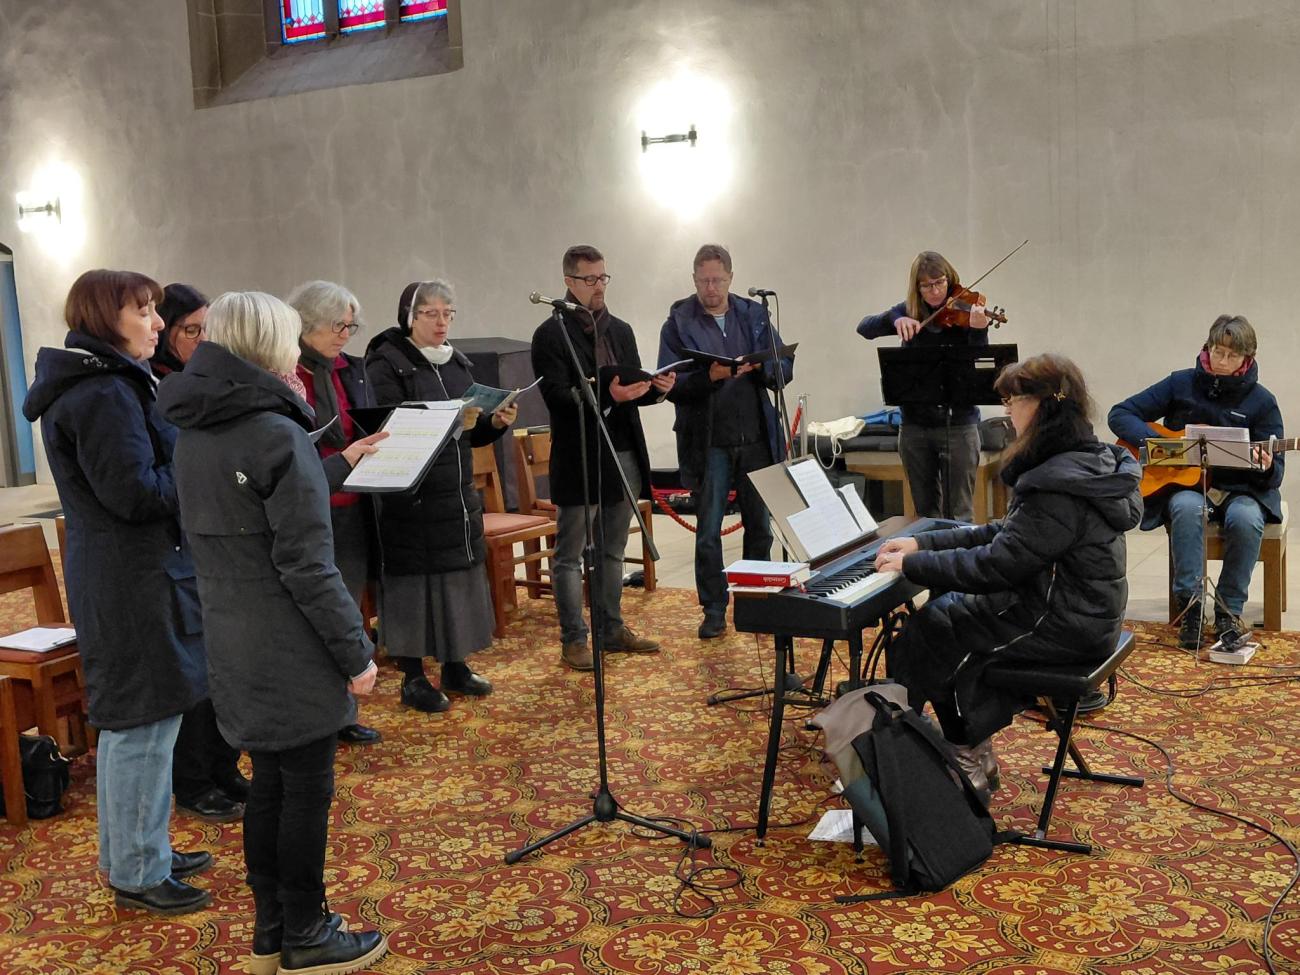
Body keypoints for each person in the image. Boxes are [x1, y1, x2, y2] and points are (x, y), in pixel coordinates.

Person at [158, 291, 387, 975]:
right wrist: (357, 652)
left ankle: (272, 928)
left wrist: (336, 464)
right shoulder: (274, 432)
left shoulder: (198, 426)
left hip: (231, 633)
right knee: (304, 788)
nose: (297, 354)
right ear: (265, 347)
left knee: (269, 784)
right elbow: (308, 565)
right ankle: (309, 929)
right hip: (292, 642)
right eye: (289, 341)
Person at [22, 269, 212, 915]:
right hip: (132, 577)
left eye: (156, 311)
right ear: (107, 317)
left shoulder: (108, 382)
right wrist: (192, 458)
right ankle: (137, 869)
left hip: (134, 570)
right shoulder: (103, 391)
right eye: (144, 311)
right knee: (142, 723)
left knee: (148, 720)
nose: (157, 323)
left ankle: (139, 845)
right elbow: (134, 494)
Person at [874, 354, 1141, 799]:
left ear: (1042, 406)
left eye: (1013, 401)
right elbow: (1009, 533)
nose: (1007, 412)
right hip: (1081, 613)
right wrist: (924, 545)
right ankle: (966, 748)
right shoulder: (1081, 461)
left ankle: (955, 755)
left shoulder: (1056, 483)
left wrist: (913, 566)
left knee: (934, 629)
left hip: (1063, 625)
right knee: (941, 622)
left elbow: (998, 565)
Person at [365, 279, 517, 710]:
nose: (441, 321)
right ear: (410, 317)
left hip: (454, 492)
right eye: (431, 313)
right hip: (410, 496)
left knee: (455, 581)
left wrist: (496, 423)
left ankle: (455, 665)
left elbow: (470, 434)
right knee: (415, 586)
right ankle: (412, 677)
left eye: (448, 312)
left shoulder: (457, 364)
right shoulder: (387, 364)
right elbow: (388, 426)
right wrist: (447, 423)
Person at [530, 245, 670, 670]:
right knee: (570, 554)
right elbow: (554, 396)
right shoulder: (551, 334)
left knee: (613, 548)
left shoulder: (620, 330)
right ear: (569, 283)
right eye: (589, 280)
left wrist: (655, 389)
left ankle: (611, 628)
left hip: (622, 450)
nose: (598, 287)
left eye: (603, 278)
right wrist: (602, 396)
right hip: (580, 455)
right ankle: (574, 638)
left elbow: (630, 390)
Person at [1108, 315, 1284, 649]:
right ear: (1208, 348)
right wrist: (1159, 445)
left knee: (1246, 519)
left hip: (1241, 490)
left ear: (1248, 358)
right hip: (1189, 487)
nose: (1222, 362)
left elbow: (1277, 472)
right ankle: (1190, 606)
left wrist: (1265, 465)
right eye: (1218, 352)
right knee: (1185, 509)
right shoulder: (1180, 383)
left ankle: (1228, 611)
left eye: (1232, 357)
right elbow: (1120, 413)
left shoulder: (1262, 401)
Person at [149, 282, 251, 823]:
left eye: (206, 329)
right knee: (194, 670)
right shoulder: (164, 389)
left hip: (212, 536)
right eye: (190, 330)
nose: (201, 340)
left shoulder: (205, 382)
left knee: (223, 663)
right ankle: (193, 779)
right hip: (178, 544)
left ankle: (223, 764)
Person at [657, 243, 794, 639]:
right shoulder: (679, 320)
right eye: (703, 281)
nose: (711, 288)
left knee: (760, 526)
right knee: (709, 528)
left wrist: (764, 365)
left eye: (717, 280)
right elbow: (671, 383)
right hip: (709, 438)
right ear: (694, 280)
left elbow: (784, 365)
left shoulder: (754, 314)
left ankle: (755, 603)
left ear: (731, 278)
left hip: (755, 436)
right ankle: (714, 608)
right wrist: (710, 378)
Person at [289, 279, 383, 746]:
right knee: (324, 610)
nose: (346, 334)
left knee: (349, 603)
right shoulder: (289, 370)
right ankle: (327, 709)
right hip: (313, 500)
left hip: (354, 496)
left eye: (351, 325)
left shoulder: (346, 368)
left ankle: (343, 709)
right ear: (306, 326)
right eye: (337, 326)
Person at [856, 251, 990, 522]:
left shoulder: (965, 308)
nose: (935, 291)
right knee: (925, 512)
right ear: (916, 287)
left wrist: (978, 330)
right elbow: (864, 328)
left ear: (949, 279)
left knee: (959, 513)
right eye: (926, 286)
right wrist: (895, 320)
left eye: (940, 282)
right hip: (915, 425)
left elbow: (979, 363)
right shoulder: (909, 310)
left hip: (959, 423)